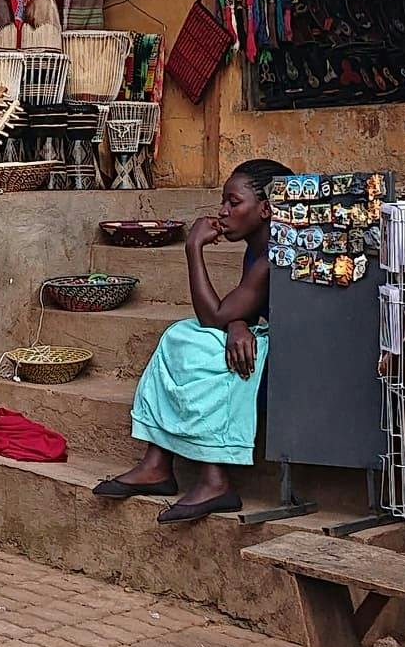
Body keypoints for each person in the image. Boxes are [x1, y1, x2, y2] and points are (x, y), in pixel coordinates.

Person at [98, 158, 286, 523]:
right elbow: (236, 311)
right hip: (267, 343)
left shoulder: (272, 257)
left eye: (234, 202)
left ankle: (215, 480)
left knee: (205, 349)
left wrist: (193, 248)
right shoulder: (257, 249)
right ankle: (157, 463)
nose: (223, 211)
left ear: (265, 209)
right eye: (224, 201)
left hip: (295, 360)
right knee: (179, 336)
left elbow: (214, 316)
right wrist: (237, 324)